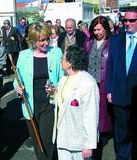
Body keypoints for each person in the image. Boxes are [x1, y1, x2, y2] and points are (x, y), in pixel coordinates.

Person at [13, 22, 64, 160]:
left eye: (47, 38)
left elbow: (63, 77)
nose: (45, 43)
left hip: (49, 104)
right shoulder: (23, 55)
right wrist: (18, 88)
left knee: (46, 142)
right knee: (37, 143)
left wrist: (56, 88)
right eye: (41, 40)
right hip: (30, 105)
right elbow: (17, 79)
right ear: (33, 40)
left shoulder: (56, 52)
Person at [52, 44, 99, 160]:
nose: (61, 60)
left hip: (79, 143)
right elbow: (61, 103)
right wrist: (53, 94)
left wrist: (88, 145)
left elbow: (91, 115)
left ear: (70, 62)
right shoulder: (64, 79)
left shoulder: (88, 83)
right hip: (63, 138)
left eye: (63, 58)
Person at [106, 8, 137, 160]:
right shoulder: (115, 40)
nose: (128, 23)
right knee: (122, 133)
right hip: (119, 95)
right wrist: (109, 90)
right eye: (125, 20)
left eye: (132, 20)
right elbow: (110, 67)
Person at [84, 16, 112, 160]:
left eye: (99, 29)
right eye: (94, 29)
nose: (96, 32)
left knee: (104, 111)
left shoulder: (112, 43)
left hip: (105, 83)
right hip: (90, 82)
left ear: (106, 29)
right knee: (91, 110)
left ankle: (103, 134)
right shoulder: (88, 43)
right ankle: (93, 134)